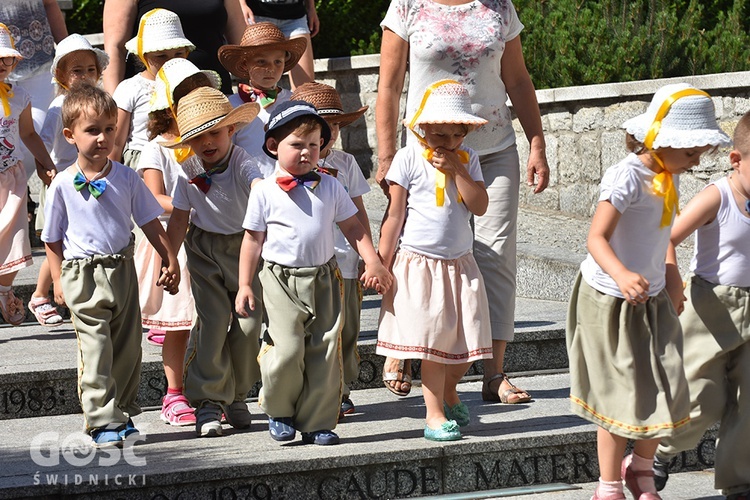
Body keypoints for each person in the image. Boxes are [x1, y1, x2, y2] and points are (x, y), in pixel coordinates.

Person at [375, 0, 549, 402]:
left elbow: (518, 80)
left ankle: (494, 373)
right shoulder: (407, 6)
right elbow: (389, 84)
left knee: (496, 254)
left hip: (493, 148)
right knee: (413, 245)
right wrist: (387, 157)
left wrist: (536, 143)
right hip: (427, 149)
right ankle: (401, 348)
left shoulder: (499, 7)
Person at [566, 83, 731, 500]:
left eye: (700, 151)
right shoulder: (627, 176)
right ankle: (608, 485)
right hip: (609, 301)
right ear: (662, 140)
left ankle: (641, 470)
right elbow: (597, 238)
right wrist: (622, 274)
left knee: (666, 387)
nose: (696, 160)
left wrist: (672, 281)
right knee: (617, 397)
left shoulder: (667, 176)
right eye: (690, 151)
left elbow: (663, 242)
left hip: (652, 300)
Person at [235, 100, 392, 446]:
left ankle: (318, 419)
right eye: (297, 145)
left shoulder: (331, 186)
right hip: (279, 280)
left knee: (324, 350)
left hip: (324, 277)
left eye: (314, 145)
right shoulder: (264, 191)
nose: (307, 152)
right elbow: (252, 240)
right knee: (289, 349)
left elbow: (353, 226)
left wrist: (373, 260)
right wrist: (245, 283)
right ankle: (279, 409)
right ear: (274, 146)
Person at [41, 83, 179, 448]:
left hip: (122, 269)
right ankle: (101, 419)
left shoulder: (127, 177)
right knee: (96, 347)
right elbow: (52, 238)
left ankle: (120, 411)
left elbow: (150, 221)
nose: (102, 137)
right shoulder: (62, 187)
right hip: (81, 274)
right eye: (92, 130)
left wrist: (169, 256)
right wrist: (56, 281)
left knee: (128, 346)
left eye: (108, 128)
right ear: (70, 135)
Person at [377, 80, 493, 441]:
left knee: (467, 343)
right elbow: (395, 216)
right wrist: (381, 262)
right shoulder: (409, 157)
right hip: (420, 264)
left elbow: (480, 205)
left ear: (464, 133)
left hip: (459, 264)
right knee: (433, 346)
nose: (443, 142)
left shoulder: (468, 160)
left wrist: (457, 171)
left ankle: (449, 391)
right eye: (436, 133)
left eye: (452, 135)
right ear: (422, 128)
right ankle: (433, 415)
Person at [651, 112, 750, 500]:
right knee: (703, 400)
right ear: (736, 160)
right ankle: (658, 453)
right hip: (709, 308)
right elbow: (666, 239)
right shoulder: (718, 196)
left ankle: (740, 481)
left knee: (749, 402)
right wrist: (673, 281)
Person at [164, 86, 263, 438]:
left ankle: (235, 393)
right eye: (197, 137)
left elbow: (258, 188)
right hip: (204, 250)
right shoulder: (188, 169)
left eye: (215, 133)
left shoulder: (242, 161)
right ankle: (207, 400)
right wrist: (170, 259)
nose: (208, 143)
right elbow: (178, 218)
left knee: (249, 327)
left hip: (245, 249)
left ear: (231, 131)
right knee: (213, 322)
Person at [135, 58, 221, 426]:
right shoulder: (157, 148)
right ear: (168, 104)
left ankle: (213, 390)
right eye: (185, 95)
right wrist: (193, 201)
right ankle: (173, 393)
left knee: (213, 318)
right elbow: (152, 198)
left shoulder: (207, 143)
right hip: (172, 242)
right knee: (179, 324)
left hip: (206, 239)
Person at [289, 82, 370, 417]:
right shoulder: (285, 165)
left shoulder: (346, 162)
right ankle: (314, 391)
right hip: (306, 261)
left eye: (335, 125)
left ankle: (341, 385)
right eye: (323, 125)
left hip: (346, 260)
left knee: (346, 328)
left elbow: (358, 209)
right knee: (312, 330)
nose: (331, 132)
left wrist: (370, 255)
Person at [30, 34, 110, 327]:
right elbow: (43, 139)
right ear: (62, 76)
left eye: (91, 70)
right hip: (65, 179)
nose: (85, 76)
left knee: (77, 239)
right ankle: (40, 293)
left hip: (93, 178)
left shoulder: (100, 101)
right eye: (77, 71)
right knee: (58, 240)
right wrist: (47, 168)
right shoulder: (60, 105)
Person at [0, 23, 56, 326]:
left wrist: (46, 163)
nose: (1, 65)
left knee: (16, 238)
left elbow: (29, 134)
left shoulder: (19, 95)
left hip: (11, 177)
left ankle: (4, 289)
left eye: (5, 59)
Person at [218, 22, 306, 177]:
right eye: (261, 61)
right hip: (248, 186)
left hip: (287, 183)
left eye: (277, 61)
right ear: (245, 64)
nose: (270, 68)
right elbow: (228, 151)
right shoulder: (232, 105)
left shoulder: (292, 101)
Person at [102, 0, 246, 95]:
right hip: (150, 98)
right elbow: (116, 48)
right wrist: (114, 107)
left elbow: (243, 46)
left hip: (214, 95)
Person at [110, 8, 194, 169]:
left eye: (178, 54)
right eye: (161, 56)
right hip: (142, 164)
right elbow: (116, 142)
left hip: (183, 159)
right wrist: (111, 178)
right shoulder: (131, 88)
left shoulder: (190, 84)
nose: (170, 61)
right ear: (143, 55)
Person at [1, 0, 68, 178]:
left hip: (40, 63)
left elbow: (49, 4)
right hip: (2, 63)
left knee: (38, 133)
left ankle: (18, 186)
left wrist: (66, 51)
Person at [238, 0, 318, 89]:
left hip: (295, 16)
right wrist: (242, 4)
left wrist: (311, 8)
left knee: (305, 87)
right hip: (257, 15)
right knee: (259, 84)